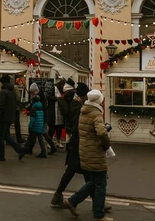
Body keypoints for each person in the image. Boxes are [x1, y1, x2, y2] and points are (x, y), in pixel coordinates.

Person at [51, 83, 113, 214]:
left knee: (80, 173)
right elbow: (77, 127)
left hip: (79, 143)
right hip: (79, 144)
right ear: (83, 96)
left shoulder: (78, 106)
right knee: (87, 175)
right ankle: (93, 203)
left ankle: (92, 202)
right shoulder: (78, 108)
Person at [0, 74, 25, 162]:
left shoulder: (3, 93)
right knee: (6, 136)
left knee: (1, 137)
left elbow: (1, 107)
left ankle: (1, 155)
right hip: (10, 117)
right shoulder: (12, 93)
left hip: (3, 117)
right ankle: (19, 149)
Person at [29, 83, 58, 155]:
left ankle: (48, 149)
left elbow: (39, 107)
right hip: (43, 117)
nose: (31, 94)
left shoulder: (39, 97)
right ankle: (29, 148)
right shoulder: (42, 95)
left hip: (41, 117)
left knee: (41, 133)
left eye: (32, 92)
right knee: (41, 133)